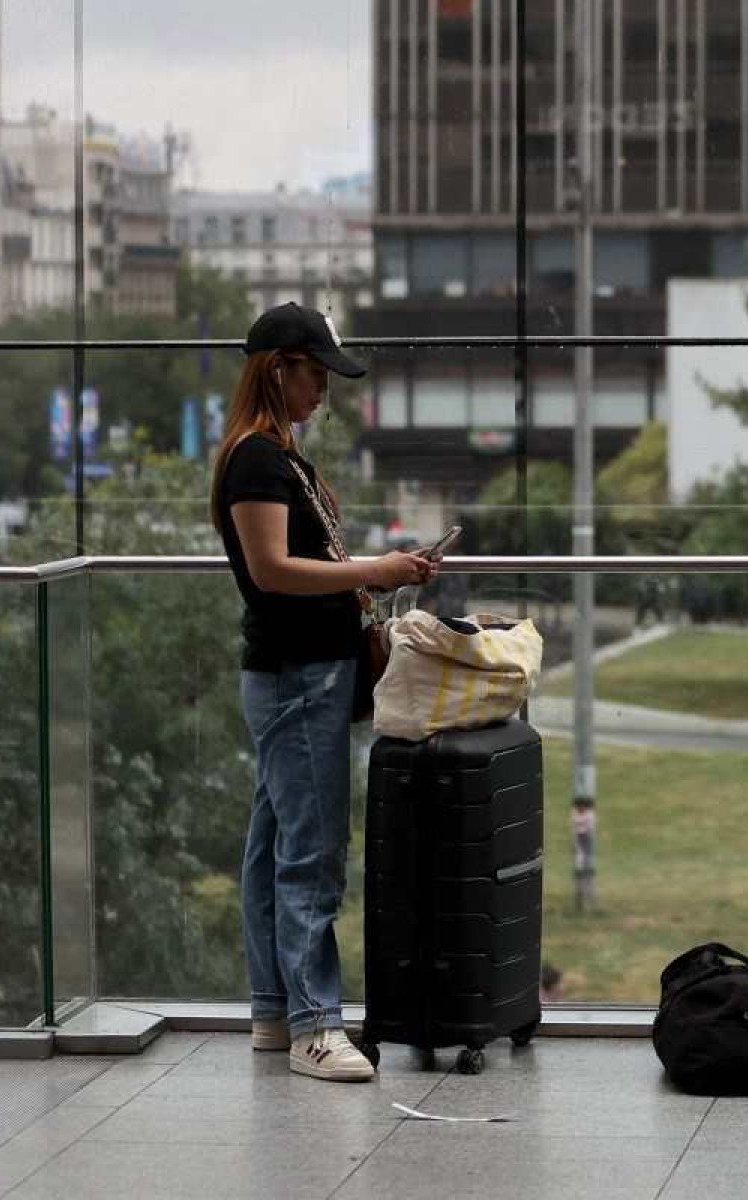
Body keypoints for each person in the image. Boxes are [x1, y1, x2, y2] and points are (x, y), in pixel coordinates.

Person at [211, 302, 435, 1082]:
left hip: (302, 672)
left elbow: (293, 566)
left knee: (274, 845)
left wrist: (379, 568)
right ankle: (315, 1024)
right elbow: (272, 571)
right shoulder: (257, 463)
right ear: (279, 367)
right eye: (316, 375)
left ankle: (276, 1011)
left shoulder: (278, 457)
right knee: (310, 853)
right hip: (296, 673)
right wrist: (376, 571)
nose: (324, 392)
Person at [570, 796, 599, 912]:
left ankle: (587, 892)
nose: (581, 808)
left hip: (586, 841)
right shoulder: (575, 814)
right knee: (579, 867)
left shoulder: (590, 815)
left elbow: (588, 831)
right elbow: (574, 830)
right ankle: (580, 894)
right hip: (579, 842)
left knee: (587, 867)